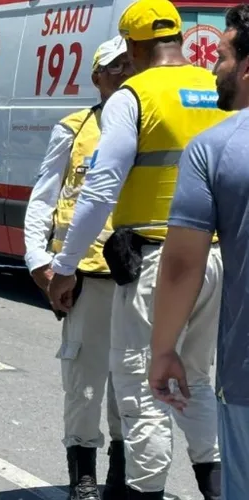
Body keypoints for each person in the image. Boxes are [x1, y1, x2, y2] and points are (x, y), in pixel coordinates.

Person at [46, 0, 230, 497]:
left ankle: (143, 492)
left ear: (132, 46)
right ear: (178, 37)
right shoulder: (214, 87)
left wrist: (65, 265)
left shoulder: (133, 96)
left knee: (143, 385)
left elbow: (100, 189)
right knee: (196, 379)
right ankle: (220, 489)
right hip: (213, 257)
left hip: (156, 261)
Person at [23, 36, 131, 500]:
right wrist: (38, 261)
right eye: (115, 67)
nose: (125, 74)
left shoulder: (153, 126)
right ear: (97, 78)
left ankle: (122, 476)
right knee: (85, 384)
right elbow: (43, 198)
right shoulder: (75, 127)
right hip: (87, 277)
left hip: (139, 276)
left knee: (132, 384)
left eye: (131, 65)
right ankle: (83, 477)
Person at [149, 4, 249, 498]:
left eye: (223, 57)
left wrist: (164, 349)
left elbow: (182, 263)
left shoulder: (215, 148)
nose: (213, 68)